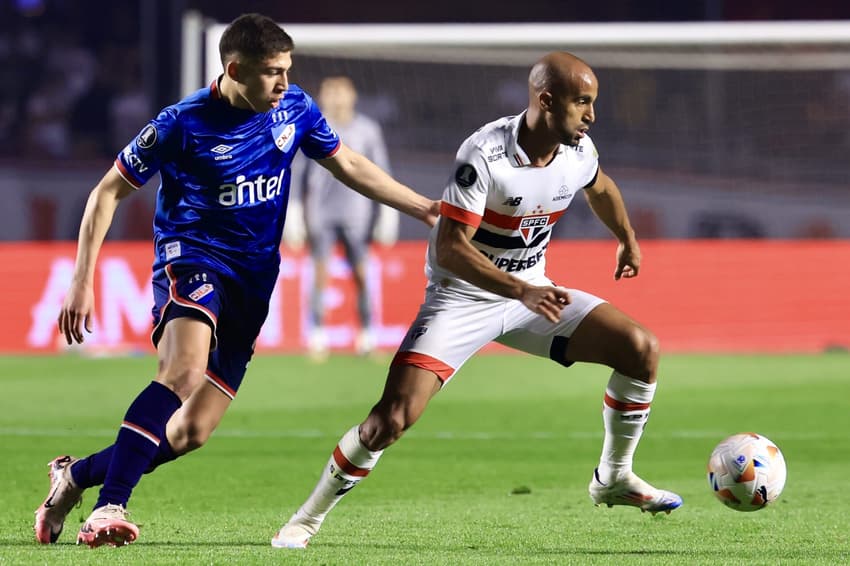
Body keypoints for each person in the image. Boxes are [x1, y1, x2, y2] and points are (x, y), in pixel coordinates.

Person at [33, 13, 439, 549]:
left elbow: (349, 164)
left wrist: (426, 208)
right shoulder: (181, 123)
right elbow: (106, 192)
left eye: (287, 70)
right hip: (193, 261)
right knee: (182, 371)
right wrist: (81, 280)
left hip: (253, 281)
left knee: (189, 432)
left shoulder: (294, 109)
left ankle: (75, 478)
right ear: (234, 70)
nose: (284, 84)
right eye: (272, 72)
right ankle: (110, 507)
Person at [271, 51, 682, 550]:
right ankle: (306, 519)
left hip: (532, 293)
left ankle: (614, 477)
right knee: (391, 419)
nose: (591, 115)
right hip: (461, 298)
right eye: (582, 103)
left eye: (592, 103)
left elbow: (600, 187)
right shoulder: (484, 154)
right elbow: (450, 247)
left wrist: (626, 237)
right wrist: (522, 290)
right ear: (546, 100)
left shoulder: (578, 150)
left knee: (640, 350)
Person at [284, 76, 398, 358]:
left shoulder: (367, 130)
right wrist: (294, 213)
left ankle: (368, 336)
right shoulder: (310, 125)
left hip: (356, 212)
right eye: (330, 93)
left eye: (340, 93)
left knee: (361, 274)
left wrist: (387, 213)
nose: (335, 99)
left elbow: (381, 171)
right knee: (320, 273)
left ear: (352, 96)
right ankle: (317, 335)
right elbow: (297, 172)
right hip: (321, 212)